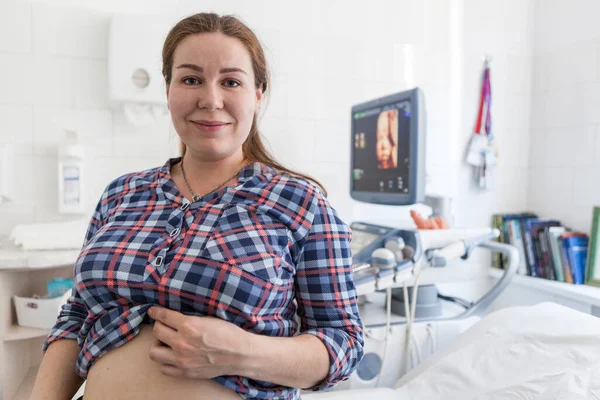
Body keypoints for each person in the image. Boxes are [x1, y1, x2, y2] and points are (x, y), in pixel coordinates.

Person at [30, 12, 364, 400]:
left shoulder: (301, 204)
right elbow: (78, 316)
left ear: (257, 95)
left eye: (231, 82)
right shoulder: (121, 194)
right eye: (191, 79)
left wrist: (244, 353)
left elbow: (344, 342)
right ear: (168, 89)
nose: (210, 99)